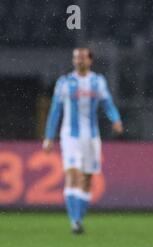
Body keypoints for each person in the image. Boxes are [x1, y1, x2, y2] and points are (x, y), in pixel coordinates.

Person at [43, 48, 124, 234]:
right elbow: (55, 110)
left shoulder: (97, 81)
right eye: (75, 57)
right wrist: (49, 136)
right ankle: (75, 221)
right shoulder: (64, 83)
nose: (78, 60)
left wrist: (116, 119)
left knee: (87, 179)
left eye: (82, 57)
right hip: (69, 136)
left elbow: (108, 103)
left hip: (92, 137)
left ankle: (78, 218)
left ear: (90, 61)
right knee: (72, 175)